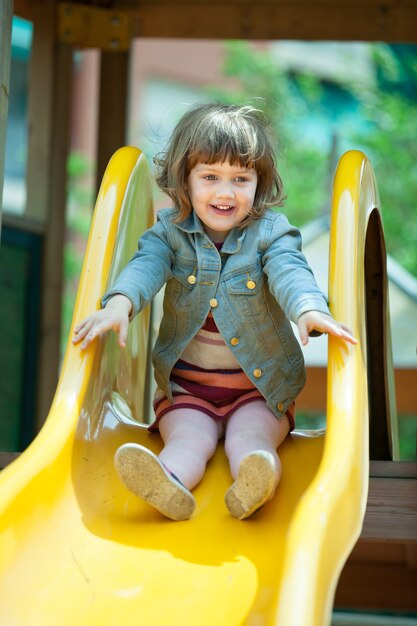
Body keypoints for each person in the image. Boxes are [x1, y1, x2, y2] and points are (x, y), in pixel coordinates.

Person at [72, 103, 356, 522]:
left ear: (258, 184)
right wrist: (120, 304)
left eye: (241, 179)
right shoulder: (169, 233)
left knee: (251, 440)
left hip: (257, 391)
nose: (226, 193)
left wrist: (309, 309)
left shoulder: (270, 233)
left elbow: (290, 272)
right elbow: (145, 267)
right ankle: (168, 484)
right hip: (189, 391)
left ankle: (256, 483)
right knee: (188, 440)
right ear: (185, 180)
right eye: (210, 177)